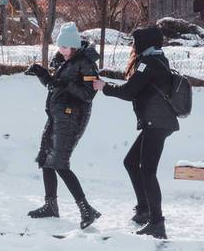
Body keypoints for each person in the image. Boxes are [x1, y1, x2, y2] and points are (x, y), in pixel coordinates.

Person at [93, 26, 178, 239]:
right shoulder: (158, 60)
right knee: (131, 162)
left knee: (148, 171)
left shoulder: (148, 64)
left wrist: (105, 87)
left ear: (145, 43)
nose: (133, 46)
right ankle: (144, 210)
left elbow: (129, 91)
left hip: (156, 124)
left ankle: (157, 223)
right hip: (157, 122)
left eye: (135, 42)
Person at [24, 22, 101, 229]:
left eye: (66, 47)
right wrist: (42, 74)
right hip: (56, 115)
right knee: (46, 159)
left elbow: (88, 94)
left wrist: (65, 84)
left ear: (74, 46)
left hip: (72, 118)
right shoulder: (63, 61)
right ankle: (51, 205)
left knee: (59, 162)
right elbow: (54, 87)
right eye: (60, 46)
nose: (62, 50)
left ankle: (87, 209)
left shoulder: (85, 62)